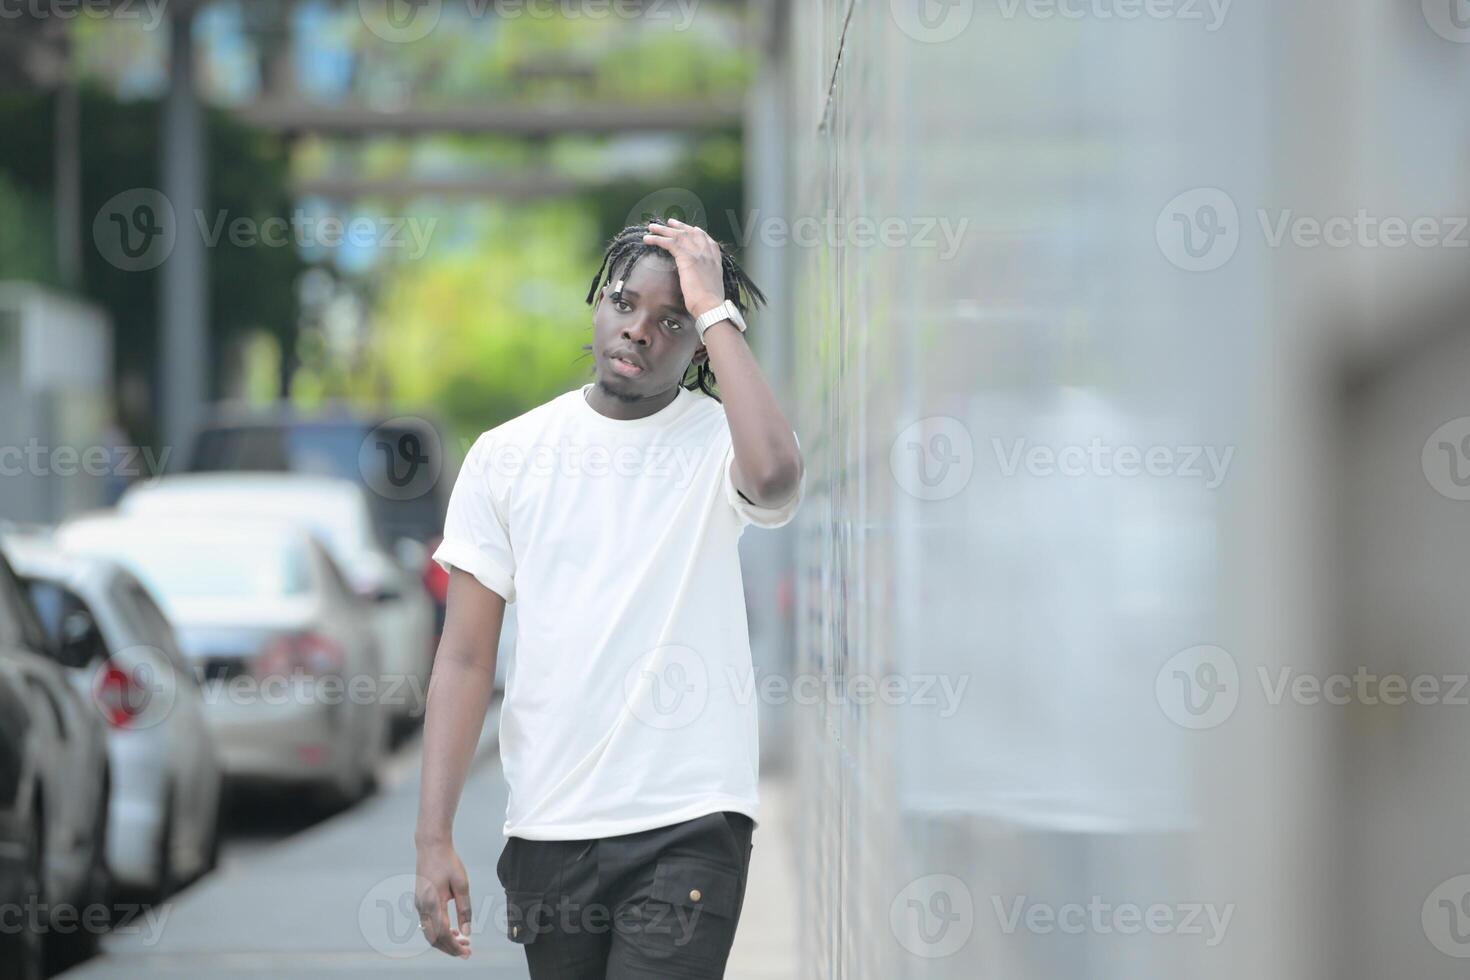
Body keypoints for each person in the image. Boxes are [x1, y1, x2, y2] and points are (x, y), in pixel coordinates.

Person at [413, 217, 805, 979]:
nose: (638, 332)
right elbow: (463, 659)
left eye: (671, 322)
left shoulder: (719, 442)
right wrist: (433, 839)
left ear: (700, 343)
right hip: (551, 829)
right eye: (623, 304)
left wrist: (714, 304)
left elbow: (778, 478)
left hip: (687, 821)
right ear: (597, 302)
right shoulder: (507, 456)